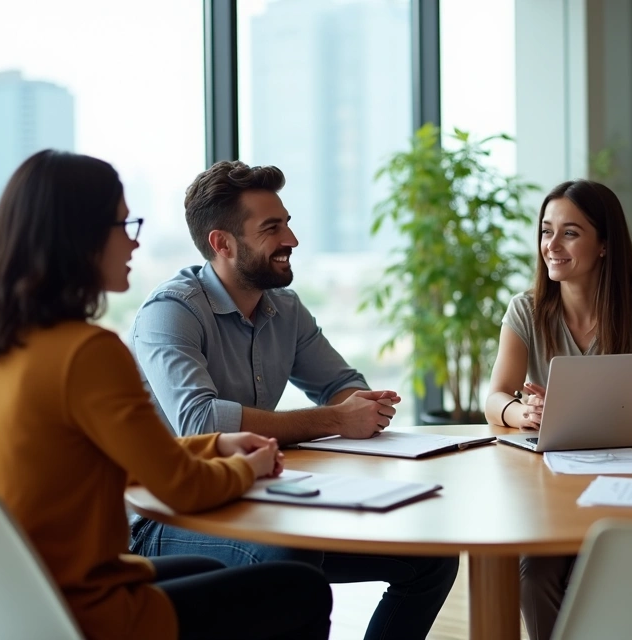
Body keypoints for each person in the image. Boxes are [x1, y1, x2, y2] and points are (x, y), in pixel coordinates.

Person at [0, 150, 333, 640]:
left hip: (13, 599)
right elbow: (182, 488)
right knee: (300, 589)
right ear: (80, 239)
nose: (133, 244)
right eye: (122, 225)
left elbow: (123, 456)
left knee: (206, 571)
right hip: (84, 607)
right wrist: (251, 466)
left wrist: (215, 445)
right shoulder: (88, 352)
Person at [126, 160, 459, 640]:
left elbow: (342, 382)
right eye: (272, 228)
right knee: (291, 562)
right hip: (168, 517)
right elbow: (201, 423)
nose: (292, 239)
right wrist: (337, 418)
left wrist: (358, 407)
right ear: (222, 244)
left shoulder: (285, 308)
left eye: (287, 222)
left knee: (430, 558)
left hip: (262, 498)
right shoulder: (171, 312)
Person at [484, 179, 632, 640]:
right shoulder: (525, 311)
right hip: (550, 488)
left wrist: (620, 397)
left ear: (603, 245)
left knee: (600, 571)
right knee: (534, 577)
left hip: (628, 485)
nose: (551, 246)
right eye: (545, 231)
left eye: (570, 233)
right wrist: (524, 414)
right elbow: (494, 397)